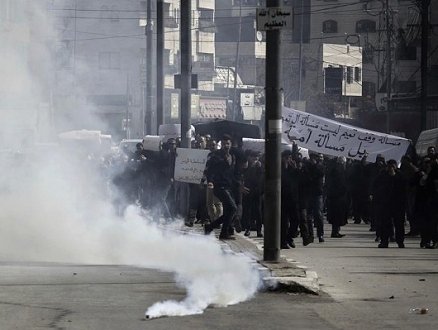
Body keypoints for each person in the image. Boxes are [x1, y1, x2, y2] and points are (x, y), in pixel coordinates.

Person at [204, 134, 245, 240]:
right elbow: (209, 170)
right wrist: (210, 181)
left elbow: (231, 175)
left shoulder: (232, 157)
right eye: (223, 144)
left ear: (231, 144)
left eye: (227, 143)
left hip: (229, 187)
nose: (225, 146)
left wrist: (239, 185)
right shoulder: (216, 156)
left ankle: (214, 229)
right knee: (232, 208)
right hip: (219, 186)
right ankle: (218, 230)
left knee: (229, 210)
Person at [371, 159, 407, 248]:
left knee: (399, 224)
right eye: (390, 166)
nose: (391, 168)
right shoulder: (382, 176)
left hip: (398, 204)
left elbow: (405, 189)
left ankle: (400, 241)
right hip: (385, 204)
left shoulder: (401, 176)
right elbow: (375, 187)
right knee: (385, 224)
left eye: (393, 166)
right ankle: (384, 241)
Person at [242, 150, 264, 238]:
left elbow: (261, 179)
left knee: (258, 211)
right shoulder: (246, 166)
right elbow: (242, 175)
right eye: (253, 158)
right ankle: (248, 228)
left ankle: (259, 229)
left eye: (256, 158)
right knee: (247, 211)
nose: (255, 159)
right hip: (248, 190)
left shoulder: (260, 167)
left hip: (257, 191)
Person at [325, 156, 348, 237]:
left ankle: (336, 231)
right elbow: (341, 183)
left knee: (337, 215)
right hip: (337, 196)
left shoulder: (335, 169)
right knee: (337, 215)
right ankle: (335, 232)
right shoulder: (339, 171)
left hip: (336, 196)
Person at [307, 153, 326, 243]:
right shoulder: (307, 167)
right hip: (309, 193)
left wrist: (315, 165)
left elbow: (321, 173)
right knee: (309, 216)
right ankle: (311, 235)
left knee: (318, 215)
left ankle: (320, 234)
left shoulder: (320, 166)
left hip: (318, 193)